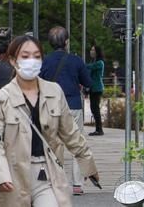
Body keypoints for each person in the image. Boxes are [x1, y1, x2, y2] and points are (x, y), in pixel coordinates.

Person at [0, 35, 99, 206]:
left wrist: (88, 164)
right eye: (25, 56)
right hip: (13, 173)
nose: (31, 61)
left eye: (37, 56)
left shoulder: (54, 91)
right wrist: (1, 175)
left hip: (46, 171)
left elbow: (71, 133)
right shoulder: (1, 98)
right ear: (13, 60)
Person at [40, 26, 92, 195]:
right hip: (73, 104)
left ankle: (56, 180)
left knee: (54, 143)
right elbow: (88, 82)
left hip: (51, 105)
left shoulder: (44, 61)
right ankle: (77, 184)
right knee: (76, 142)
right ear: (67, 42)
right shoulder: (76, 61)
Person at [86, 45, 105, 136]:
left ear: (97, 52)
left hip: (97, 88)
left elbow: (90, 67)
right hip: (93, 88)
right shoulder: (93, 61)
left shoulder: (99, 63)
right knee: (93, 108)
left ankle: (99, 129)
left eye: (93, 50)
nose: (91, 51)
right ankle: (98, 128)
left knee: (95, 109)